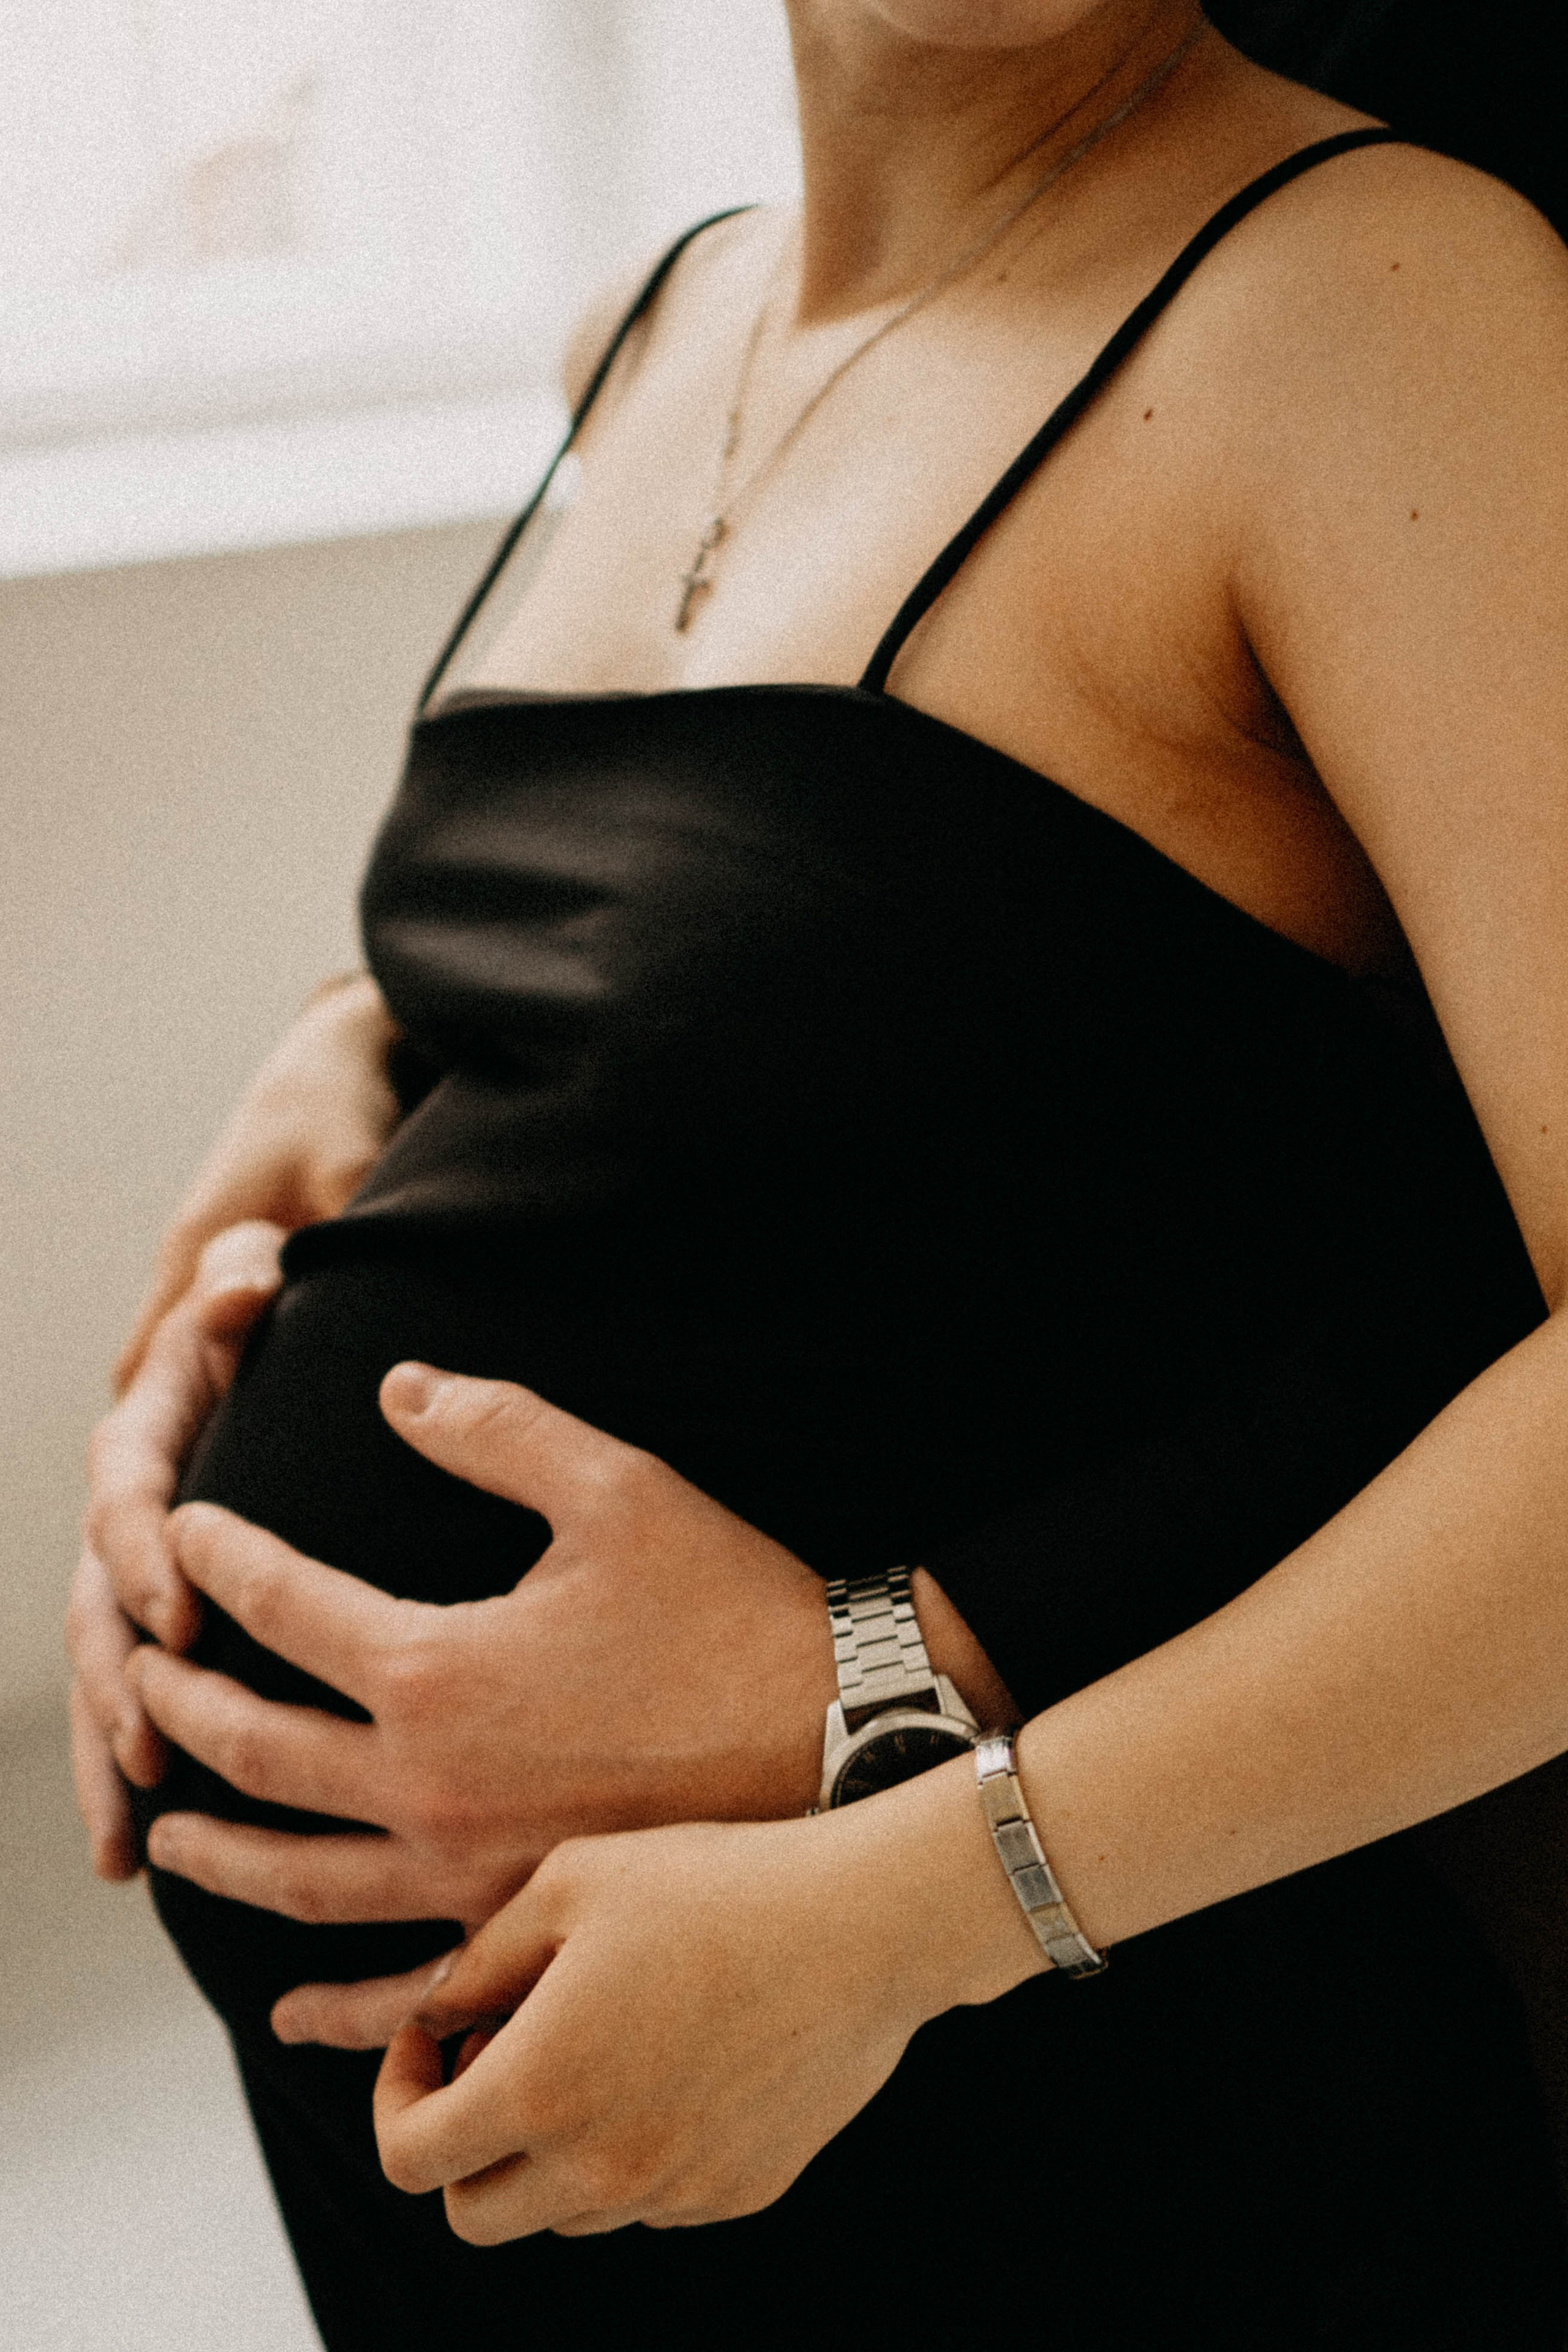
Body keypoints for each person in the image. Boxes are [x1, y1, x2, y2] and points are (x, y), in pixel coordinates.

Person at [65, 1, 1568, 2343]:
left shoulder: (1377, 309)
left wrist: (903, 1902)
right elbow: (834, 978)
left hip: (1055, 2161)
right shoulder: (659, 321)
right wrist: (332, 1082)